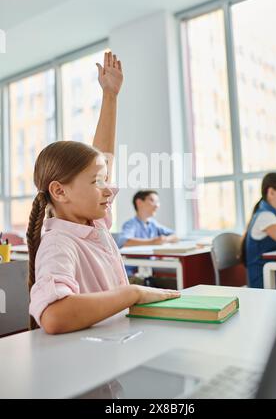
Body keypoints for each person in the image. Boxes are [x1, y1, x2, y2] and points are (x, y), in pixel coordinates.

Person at [27, 51, 180, 334]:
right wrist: (131, 294)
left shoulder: (94, 224)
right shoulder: (59, 244)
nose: (108, 190)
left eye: (105, 180)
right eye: (98, 183)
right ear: (60, 191)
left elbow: (103, 157)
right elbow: (53, 317)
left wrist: (110, 96)